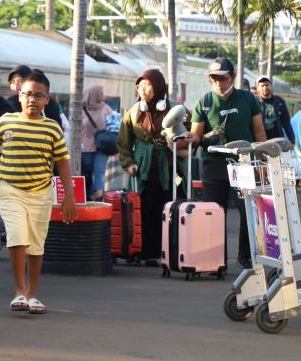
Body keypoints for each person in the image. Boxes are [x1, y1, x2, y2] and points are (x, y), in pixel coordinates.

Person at [0, 70, 76, 314]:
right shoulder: (6, 121)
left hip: (41, 192)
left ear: (46, 100)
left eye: (38, 95)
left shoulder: (52, 129)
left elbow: (62, 163)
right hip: (10, 189)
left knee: (35, 244)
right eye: (28, 94)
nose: (32, 99)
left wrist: (68, 196)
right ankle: (19, 291)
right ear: (20, 95)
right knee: (17, 236)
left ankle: (33, 294)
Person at [187, 57, 266, 270]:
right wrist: (192, 138)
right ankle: (215, 259)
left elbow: (258, 130)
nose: (219, 83)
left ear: (233, 77)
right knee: (214, 212)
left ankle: (246, 256)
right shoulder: (204, 102)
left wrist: (264, 159)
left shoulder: (248, 98)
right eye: (214, 79)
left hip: (243, 163)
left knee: (247, 210)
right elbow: (196, 135)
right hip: (213, 164)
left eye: (224, 78)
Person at [116, 69, 187, 265]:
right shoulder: (133, 112)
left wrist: (178, 142)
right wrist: (128, 163)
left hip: (170, 168)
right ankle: (144, 253)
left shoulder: (174, 108)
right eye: (140, 85)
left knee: (171, 207)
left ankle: (171, 252)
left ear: (159, 87)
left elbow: (189, 134)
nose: (143, 89)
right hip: (143, 170)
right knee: (144, 210)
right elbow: (123, 142)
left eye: (148, 85)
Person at [80, 84, 114, 202]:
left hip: (101, 147)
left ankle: (98, 199)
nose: (102, 96)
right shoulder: (81, 109)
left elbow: (114, 126)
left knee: (99, 172)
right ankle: (88, 198)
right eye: (100, 93)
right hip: (85, 148)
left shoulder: (106, 108)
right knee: (87, 174)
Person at [255, 77, 295, 142]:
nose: (265, 88)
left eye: (267, 85)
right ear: (258, 88)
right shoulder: (255, 102)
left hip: (277, 138)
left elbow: (286, 122)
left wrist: (292, 140)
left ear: (271, 86)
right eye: (262, 86)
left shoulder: (279, 101)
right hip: (260, 139)